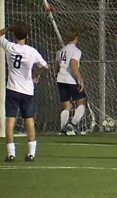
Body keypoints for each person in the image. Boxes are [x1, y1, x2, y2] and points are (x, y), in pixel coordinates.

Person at [0, 22, 49, 161]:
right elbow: (45, 67)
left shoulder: (9, 46)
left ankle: (11, 154)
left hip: (12, 89)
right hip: (27, 90)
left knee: (10, 121)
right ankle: (31, 153)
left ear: (14, 35)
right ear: (26, 36)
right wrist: (35, 74)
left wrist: (9, 28)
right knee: (29, 121)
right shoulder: (31, 51)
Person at [54, 28, 86, 135]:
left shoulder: (61, 50)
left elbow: (56, 66)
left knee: (67, 106)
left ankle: (63, 128)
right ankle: (73, 124)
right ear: (77, 38)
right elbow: (73, 65)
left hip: (60, 79)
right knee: (81, 101)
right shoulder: (76, 51)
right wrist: (79, 78)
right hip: (71, 80)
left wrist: (58, 74)